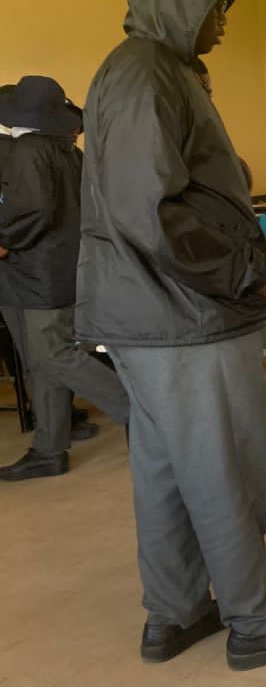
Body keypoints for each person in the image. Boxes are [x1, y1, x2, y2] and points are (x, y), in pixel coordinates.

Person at [76, 0, 266, 669]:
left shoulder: (150, 69)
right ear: (177, 0)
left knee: (168, 472)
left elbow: (188, 202)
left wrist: (260, 264)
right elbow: (152, 212)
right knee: (227, 468)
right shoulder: (147, 74)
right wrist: (249, 274)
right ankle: (260, 621)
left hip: (160, 316)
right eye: (216, 7)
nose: (224, 24)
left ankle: (175, 611)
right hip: (183, 318)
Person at [0, 77, 131, 481]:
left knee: (49, 354)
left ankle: (142, 412)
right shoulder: (65, 150)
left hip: (37, 272)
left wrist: (3, 239)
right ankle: (49, 449)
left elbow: (32, 210)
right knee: (45, 361)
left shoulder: (27, 150)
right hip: (61, 268)